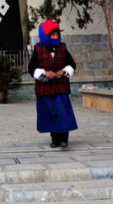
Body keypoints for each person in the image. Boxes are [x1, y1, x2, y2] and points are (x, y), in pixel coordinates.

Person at [28, 19, 78, 148]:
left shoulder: (62, 47)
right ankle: (55, 139)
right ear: (46, 35)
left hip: (60, 88)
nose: (55, 37)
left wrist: (64, 71)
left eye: (57, 35)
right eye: (52, 35)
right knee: (50, 113)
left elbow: (72, 64)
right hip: (45, 89)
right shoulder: (38, 49)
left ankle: (64, 140)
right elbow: (31, 68)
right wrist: (44, 73)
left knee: (63, 113)